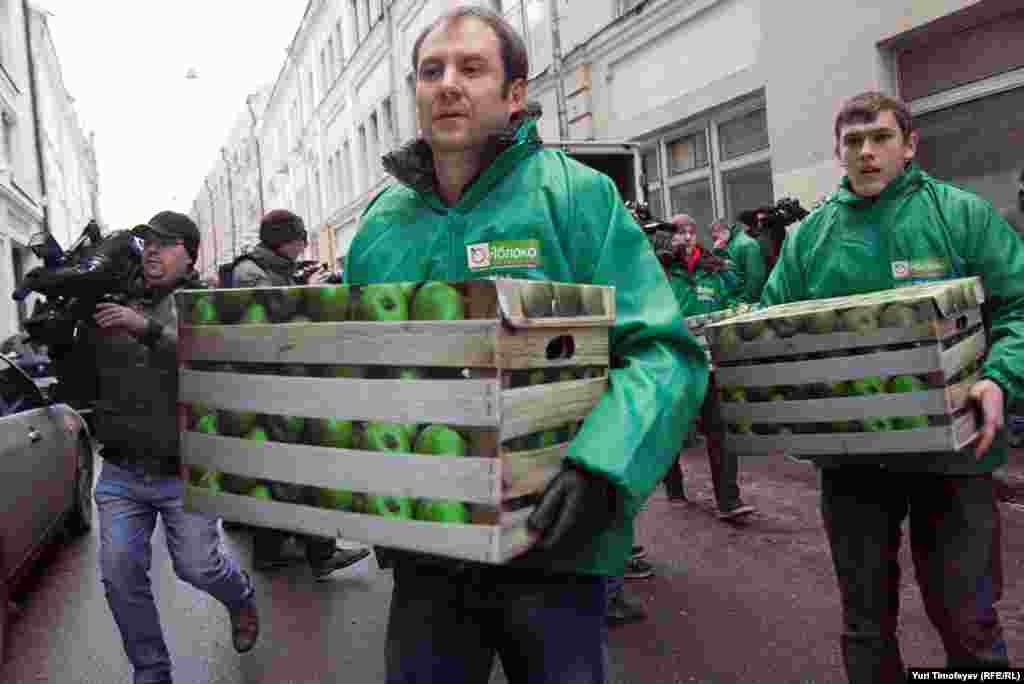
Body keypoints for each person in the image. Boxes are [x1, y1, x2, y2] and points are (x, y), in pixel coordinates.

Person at [344, 6, 707, 681]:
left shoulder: (576, 197)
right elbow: (358, 369)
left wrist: (601, 468)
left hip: (554, 544)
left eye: (471, 68)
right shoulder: (380, 227)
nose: (448, 85)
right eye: (431, 71)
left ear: (514, 94)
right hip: (427, 551)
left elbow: (661, 352)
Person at [761, 91, 1021, 681]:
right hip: (852, 456)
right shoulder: (809, 238)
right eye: (853, 142)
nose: (867, 152)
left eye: (880, 138)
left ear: (909, 145)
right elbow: (774, 326)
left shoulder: (960, 216)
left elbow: (1019, 304)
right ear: (839, 152)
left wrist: (999, 378)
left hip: (954, 449)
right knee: (865, 622)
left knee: (968, 620)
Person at [87, 211, 259, 683]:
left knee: (199, 568)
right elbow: (86, 378)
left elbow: (211, 361)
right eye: (148, 243)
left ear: (190, 255)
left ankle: (240, 596)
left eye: (165, 243)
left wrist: (143, 328)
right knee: (119, 575)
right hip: (121, 472)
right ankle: (152, 672)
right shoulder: (115, 302)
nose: (152, 251)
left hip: (186, 469)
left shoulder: (207, 303)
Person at [229, 208, 371, 578]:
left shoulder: (268, 268)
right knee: (298, 470)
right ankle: (318, 554)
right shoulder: (250, 273)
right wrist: (308, 292)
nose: (303, 246)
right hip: (273, 388)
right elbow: (272, 317)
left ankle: (281, 551)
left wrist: (301, 281)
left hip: (286, 383)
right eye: (299, 239)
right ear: (284, 241)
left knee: (287, 471)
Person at [662, 214, 756, 520]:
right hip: (674, 363)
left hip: (711, 364)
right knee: (671, 430)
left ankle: (729, 500)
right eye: (680, 232)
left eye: (691, 230)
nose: (687, 236)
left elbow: (734, 298)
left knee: (720, 429)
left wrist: (737, 307)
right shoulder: (660, 270)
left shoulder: (712, 269)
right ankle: (674, 487)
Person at [710, 216, 767, 303]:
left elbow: (755, 277)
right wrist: (717, 252)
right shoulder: (727, 245)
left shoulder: (747, 245)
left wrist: (745, 301)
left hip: (744, 301)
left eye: (715, 238)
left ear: (724, 232)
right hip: (733, 300)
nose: (715, 242)